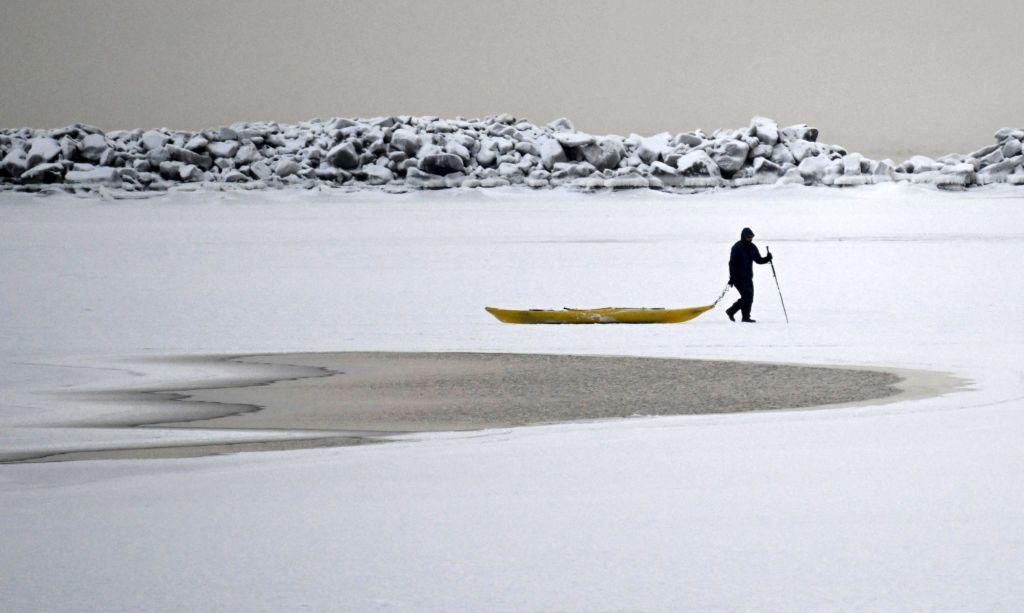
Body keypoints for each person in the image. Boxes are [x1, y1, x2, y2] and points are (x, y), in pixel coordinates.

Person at [726, 227, 772, 323]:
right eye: (748, 237)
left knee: (749, 298)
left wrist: (767, 258)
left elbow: (758, 260)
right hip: (738, 278)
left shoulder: (752, 247)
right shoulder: (736, 247)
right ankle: (732, 311)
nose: (750, 239)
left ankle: (745, 317)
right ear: (743, 236)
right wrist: (732, 278)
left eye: (751, 237)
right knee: (747, 297)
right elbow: (732, 264)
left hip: (748, 277)